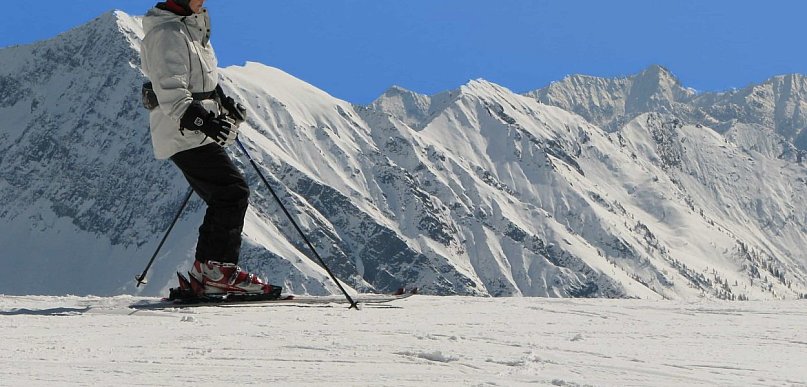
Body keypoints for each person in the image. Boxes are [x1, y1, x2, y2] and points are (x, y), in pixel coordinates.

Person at [140, 0, 277, 295]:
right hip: (180, 132)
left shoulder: (193, 29)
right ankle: (217, 271)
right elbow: (171, 92)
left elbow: (203, 82)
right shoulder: (166, 34)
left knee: (225, 193)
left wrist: (223, 103)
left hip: (193, 131)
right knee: (231, 191)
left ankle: (209, 272)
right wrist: (205, 123)